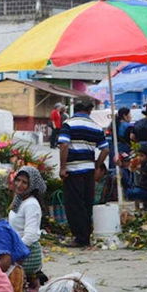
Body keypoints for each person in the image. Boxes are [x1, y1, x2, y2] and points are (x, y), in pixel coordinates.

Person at [58, 99, 109, 248]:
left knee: (74, 204)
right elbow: (105, 149)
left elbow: (64, 144)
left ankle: (80, 238)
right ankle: (85, 235)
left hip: (73, 170)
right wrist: (97, 165)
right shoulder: (96, 127)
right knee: (87, 204)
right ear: (89, 111)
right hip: (89, 170)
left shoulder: (69, 124)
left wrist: (62, 167)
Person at [8, 166, 46, 292]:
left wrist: (14, 254)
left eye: (24, 182)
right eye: (18, 180)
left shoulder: (31, 205)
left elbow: (30, 236)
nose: (19, 185)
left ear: (32, 186)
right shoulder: (19, 200)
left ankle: (30, 276)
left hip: (27, 253)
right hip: (19, 248)